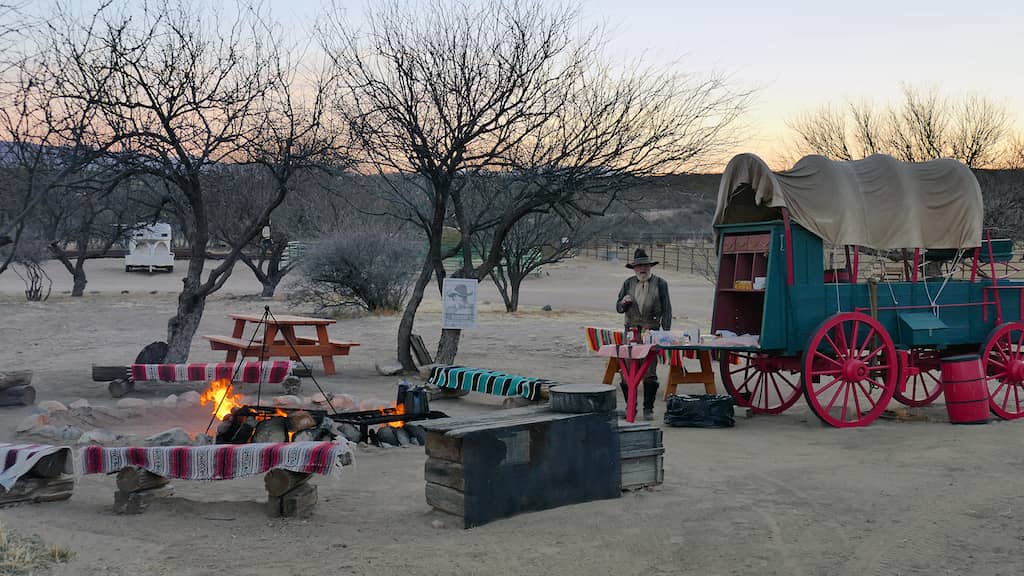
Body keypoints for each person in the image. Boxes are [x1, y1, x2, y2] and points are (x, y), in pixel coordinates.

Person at [615, 248, 672, 420]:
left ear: (650, 266)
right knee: (626, 373)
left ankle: (648, 409)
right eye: (639, 266)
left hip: (652, 332)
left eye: (645, 265)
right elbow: (618, 308)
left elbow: (667, 310)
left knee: (650, 373)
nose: (642, 269)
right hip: (630, 332)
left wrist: (666, 334)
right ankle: (629, 407)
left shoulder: (661, 283)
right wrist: (623, 303)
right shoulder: (627, 283)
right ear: (634, 268)